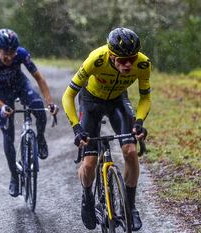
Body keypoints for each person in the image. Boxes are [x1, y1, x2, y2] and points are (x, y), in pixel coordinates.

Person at [62, 27, 151, 231]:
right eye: (122, 60)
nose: (128, 64)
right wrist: (77, 128)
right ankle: (87, 196)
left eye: (132, 58)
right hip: (90, 101)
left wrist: (139, 122)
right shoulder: (96, 59)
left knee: (130, 151)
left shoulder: (143, 63)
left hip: (118, 101)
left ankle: (130, 207)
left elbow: (145, 96)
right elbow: (68, 95)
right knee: (90, 163)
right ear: (111, 55)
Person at [0, 29, 59, 197]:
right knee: (8, 137)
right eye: (5, 53)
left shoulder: (21, 54)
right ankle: (14, 177)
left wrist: (50, 102)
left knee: (38, 107)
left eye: (12, 52)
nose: (9, 57)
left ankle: (40, 138)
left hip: (21, 86)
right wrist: (1, 106)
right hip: (2, 95)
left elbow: (39, 78)